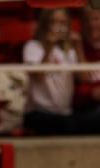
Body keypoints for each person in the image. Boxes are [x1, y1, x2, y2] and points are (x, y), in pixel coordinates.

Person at [23, 8, 86, 136]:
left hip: (65, 113)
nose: (58, 27)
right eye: (54, 22)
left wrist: (79, 47)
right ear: (45, 24)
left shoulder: (70, 51)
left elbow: (83, 77)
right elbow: (38, 77)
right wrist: (49, 47)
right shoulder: (32, 47)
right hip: (39, 113)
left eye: (63, 22)